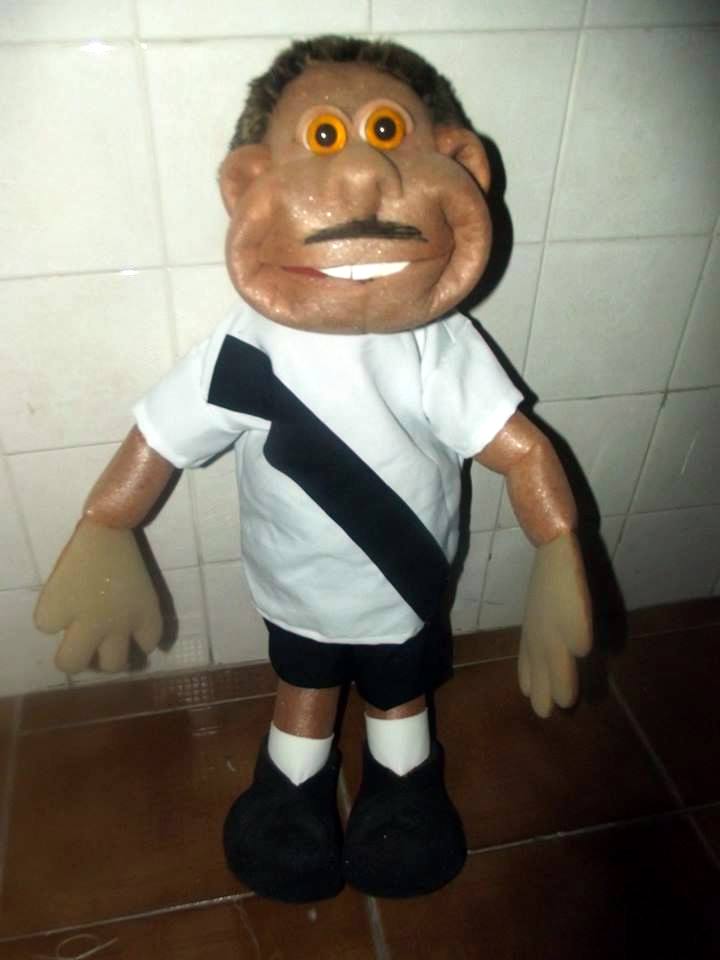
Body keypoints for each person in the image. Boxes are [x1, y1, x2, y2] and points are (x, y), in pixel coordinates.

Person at [35, 36, 592, 901]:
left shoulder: (438, 344)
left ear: (459, 164)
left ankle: (403, 782)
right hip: (294, 585)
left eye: (386, 133)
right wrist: (107, 526)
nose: (363, 173)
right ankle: (292, 782)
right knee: (304, 681)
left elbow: (516, 447)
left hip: (407, 590)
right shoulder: (247, 346)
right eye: (327, 138)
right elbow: (164, 437)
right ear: (249, 183)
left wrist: (557, 551)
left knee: (401, 691)